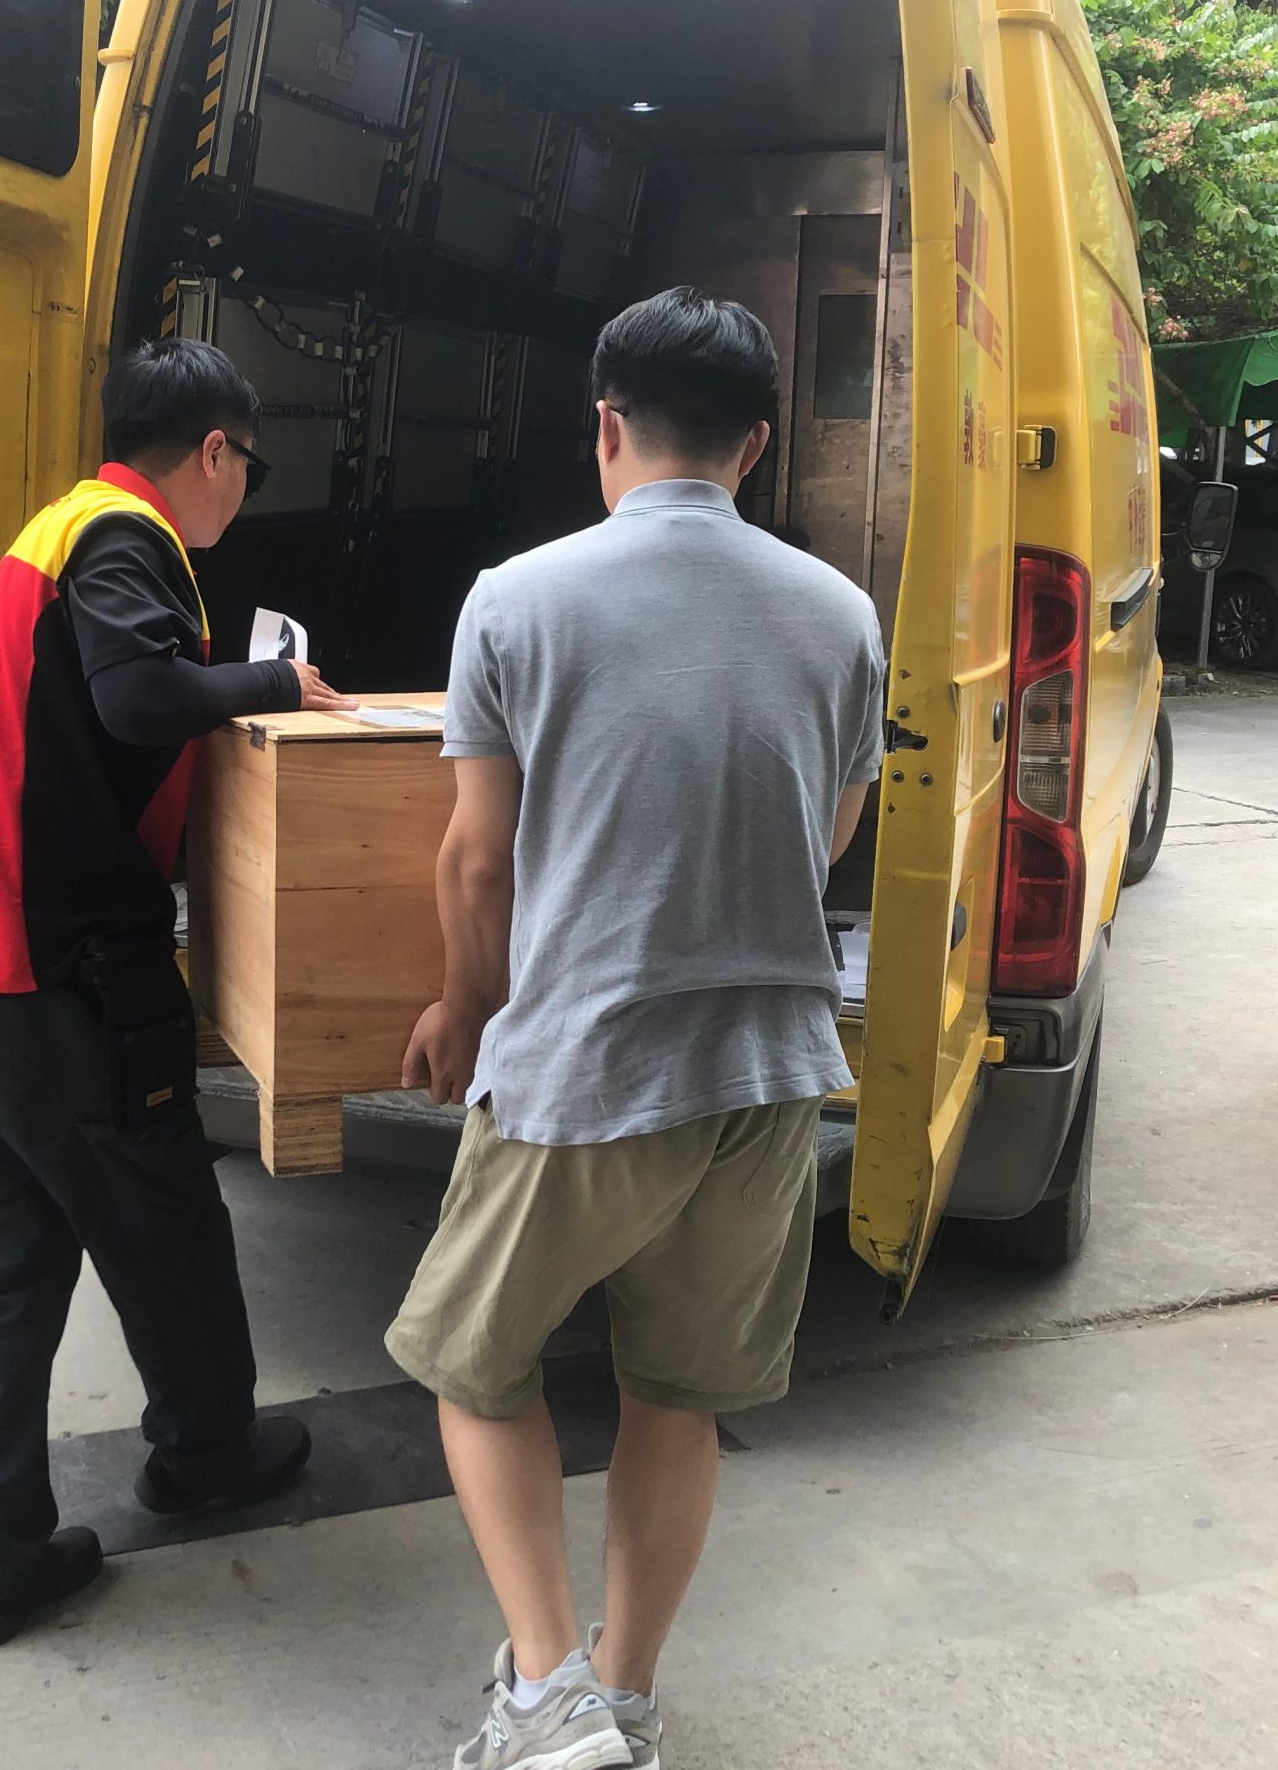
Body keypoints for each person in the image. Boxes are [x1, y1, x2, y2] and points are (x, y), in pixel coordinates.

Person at [389, 289, 884, 1769]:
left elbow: (478, 859)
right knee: (679, 1395)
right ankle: (629, 1693)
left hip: (586, 1065)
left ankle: (549, 1695)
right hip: (772, 1071)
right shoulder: (840, 613)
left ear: (605, 426)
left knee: (472, 1366)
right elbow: (830, 830)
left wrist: (465, 1007)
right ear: (758, 447)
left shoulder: (518, 599)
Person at [0, 338, 349, 1650]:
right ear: (214, 450)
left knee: (18, 1247)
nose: (242, 491)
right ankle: (206, 1454)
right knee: (165, 1212)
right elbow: (140, 697)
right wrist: (277, 683)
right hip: (41, 969)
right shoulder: (125, 535)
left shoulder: (57, 529)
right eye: (247, 467)